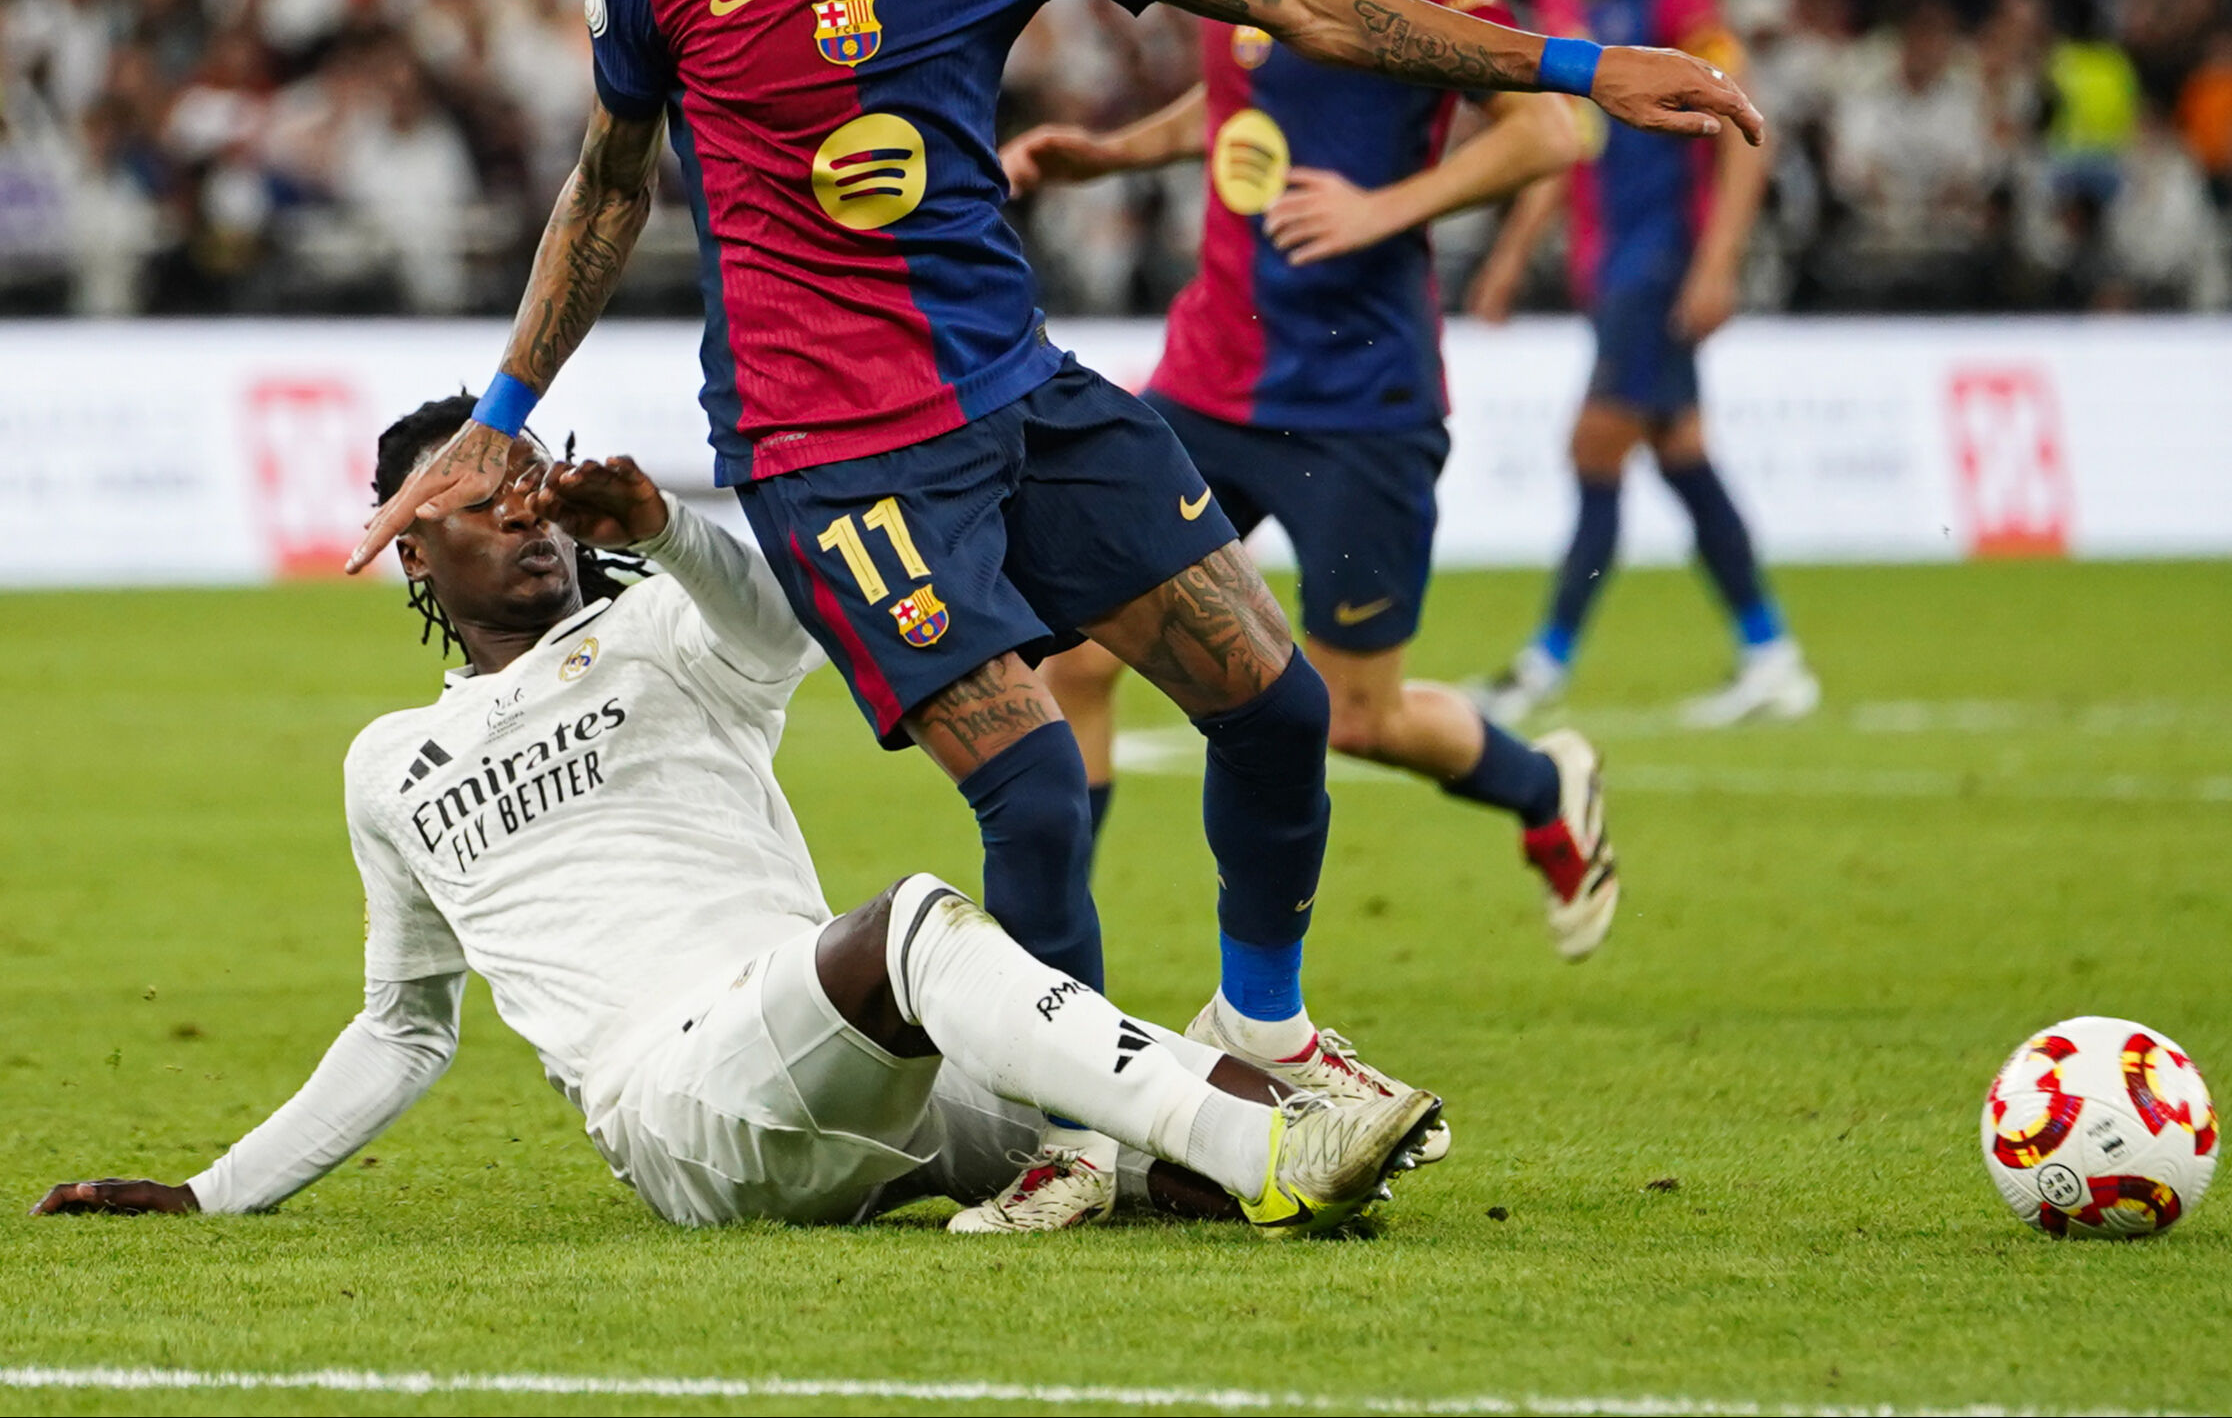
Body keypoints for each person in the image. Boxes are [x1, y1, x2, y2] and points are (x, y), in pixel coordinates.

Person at [350, 0, 1757, 1225]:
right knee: (1029, 784)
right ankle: (1070, 1136)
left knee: (1285, 708)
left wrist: (1575, 62)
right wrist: (507, 406)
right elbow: (612, 177)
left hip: (1019, 394)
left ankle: (1265, 1031)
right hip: (830, 450)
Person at [37, 398, 1439, 1240]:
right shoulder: (391, 760)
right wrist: (213, 1192)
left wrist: (664, 524)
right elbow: (406, 1024)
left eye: (541, 493)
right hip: (682, 1102)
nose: (531, 523)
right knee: (916, 925)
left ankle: (1283, 1133)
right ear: (413, 544)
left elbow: (779, 622)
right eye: (483, 504)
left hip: (859, 1063)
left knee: (1151, 1159)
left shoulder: (667, 623)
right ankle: (1278, 1137)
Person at [1001, 0, 1618, 960]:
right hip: (1206, 384)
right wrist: (1107, 155)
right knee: (1079, 655)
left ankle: (1539, 785)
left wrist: (1389, 202)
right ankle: (1054, 968)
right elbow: (1228, 104)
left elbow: (1553, 124)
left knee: (1356, 714)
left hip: (1362, 404)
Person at [1473, 0, 1819, 728]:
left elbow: (1748, 127)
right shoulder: (1554, 2)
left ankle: (1542, 664)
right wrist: (1514, 251)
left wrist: (1716, 263)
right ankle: (1770, 651)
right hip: (1608, 262)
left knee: (1592, 449)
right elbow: (1561, 142)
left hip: (1660, 259)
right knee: (1681, 454)